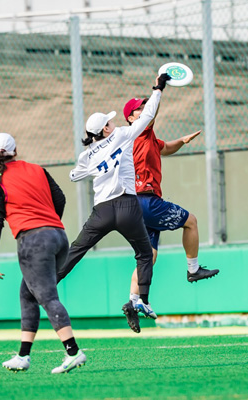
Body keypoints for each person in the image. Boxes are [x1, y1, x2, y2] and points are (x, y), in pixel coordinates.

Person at [56, 73, 172, 321]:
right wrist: (158, 88)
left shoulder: (86, 155)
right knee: (144, 254)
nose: (112, 122)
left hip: (103, 211)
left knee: (77, 248)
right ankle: (143, 301)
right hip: (128, 206)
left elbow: (74, 176)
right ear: (106, 129)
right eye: (109, 122)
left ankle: (48, 283)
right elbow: (149, 115)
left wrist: (93, 163)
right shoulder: (121, 134)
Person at [0, 132, 86, 374]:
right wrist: (49, 225)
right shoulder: (37, 169)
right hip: (59, 236)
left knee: (48, 297)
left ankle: (73, 352)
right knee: (28, 294)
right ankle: (23, 355)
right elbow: (59, 198)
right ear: (15, 151)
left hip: (33, 242)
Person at [119, 96, 220, 333]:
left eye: (144, 106)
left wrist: (182, 141)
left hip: (135, 206)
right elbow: (152, 114)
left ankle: (133, 301)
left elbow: (165, 148)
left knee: (148, 256)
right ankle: (193, 269)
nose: (144, 110)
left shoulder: (147, 137)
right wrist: (159, 89)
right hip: (147, 200)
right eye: (138, 109)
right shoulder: (139, 131)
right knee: (191, 222)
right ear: (131, 118)